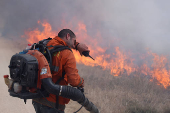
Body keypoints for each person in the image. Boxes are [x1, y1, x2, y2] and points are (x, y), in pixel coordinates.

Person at [32, 29, 90, 113]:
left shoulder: (47, 44)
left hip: (38, 99)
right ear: (67, 36)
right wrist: (81, 82)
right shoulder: (67, 53)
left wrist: (77, 45)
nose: (74, 44)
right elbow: (73, 80)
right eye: (74, 41)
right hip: (53, 103)